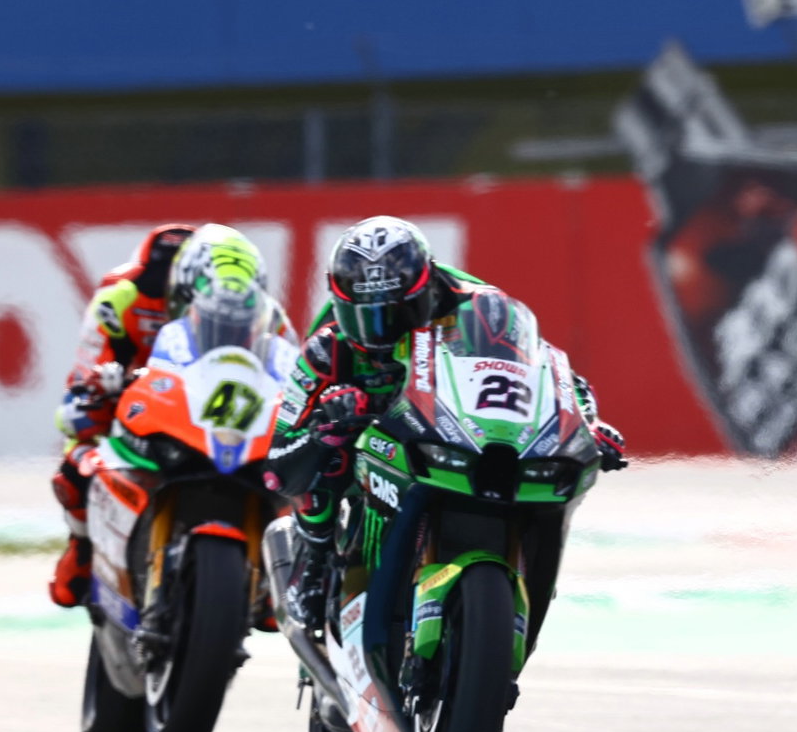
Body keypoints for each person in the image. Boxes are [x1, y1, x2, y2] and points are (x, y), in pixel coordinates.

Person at [263, 215, 626, 631]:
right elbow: (278, 464)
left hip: (450, 430)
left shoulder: (479, 309)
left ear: (428, 288)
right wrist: (327, 426)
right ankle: (315, 553)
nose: (380, 333)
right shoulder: (327, 348)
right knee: (325, 455)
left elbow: (546, 368)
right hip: (373, 438)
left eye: (398, 314)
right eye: (366, 317)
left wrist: (585, 421)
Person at [47, 223, 281, 608]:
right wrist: (97, 386)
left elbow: (291, 370)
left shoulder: (267, 318)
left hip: (221, 413)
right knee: (80, 457)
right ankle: (83, 550)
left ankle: (280, 576)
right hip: (141, 401)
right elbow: (80, 385)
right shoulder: (123, 296)